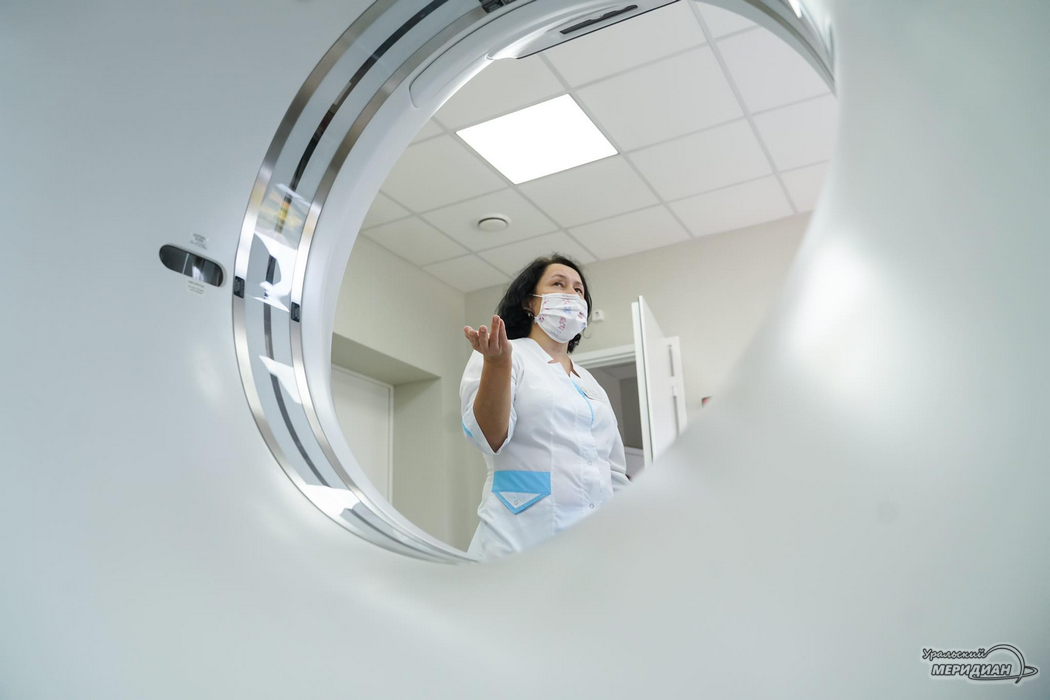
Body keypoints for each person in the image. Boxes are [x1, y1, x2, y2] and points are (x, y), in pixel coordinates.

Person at [460, 254, 629, 562]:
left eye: (578, 289)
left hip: (595, 549)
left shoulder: (589, 382)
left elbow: (613, 470)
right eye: (558, 284)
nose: (572, 294)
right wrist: (497, 364)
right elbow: (488, 437)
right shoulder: (506, 354)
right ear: (530, 302)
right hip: (518, 544)